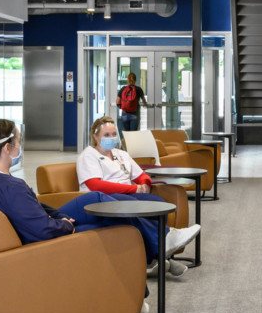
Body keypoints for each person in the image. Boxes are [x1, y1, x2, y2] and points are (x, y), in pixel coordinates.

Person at [0, 119, 201, 313]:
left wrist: (60, 216)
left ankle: (159, 250)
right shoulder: (10, 186)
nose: (21, 146)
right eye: (19, 142)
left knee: (99, 201)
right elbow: (40, 230)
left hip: (45, 228)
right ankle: (154, 262)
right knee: (117, 225)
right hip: (44, 242)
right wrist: (63, 225)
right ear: (8, 148)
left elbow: (34, 208)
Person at [77, 116, 197, 276]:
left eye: (114, 134)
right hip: (104, 198)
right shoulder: (88, 156)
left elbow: (140, 175)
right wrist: (133, 190)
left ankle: (154, 259)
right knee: (133, 208)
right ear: (95, 136)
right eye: (106, 135)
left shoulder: (120, 154)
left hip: (127, 194)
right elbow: (96, 185)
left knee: (157, 204)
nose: (111, 138)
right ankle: (166, 240)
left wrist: (145, 184)